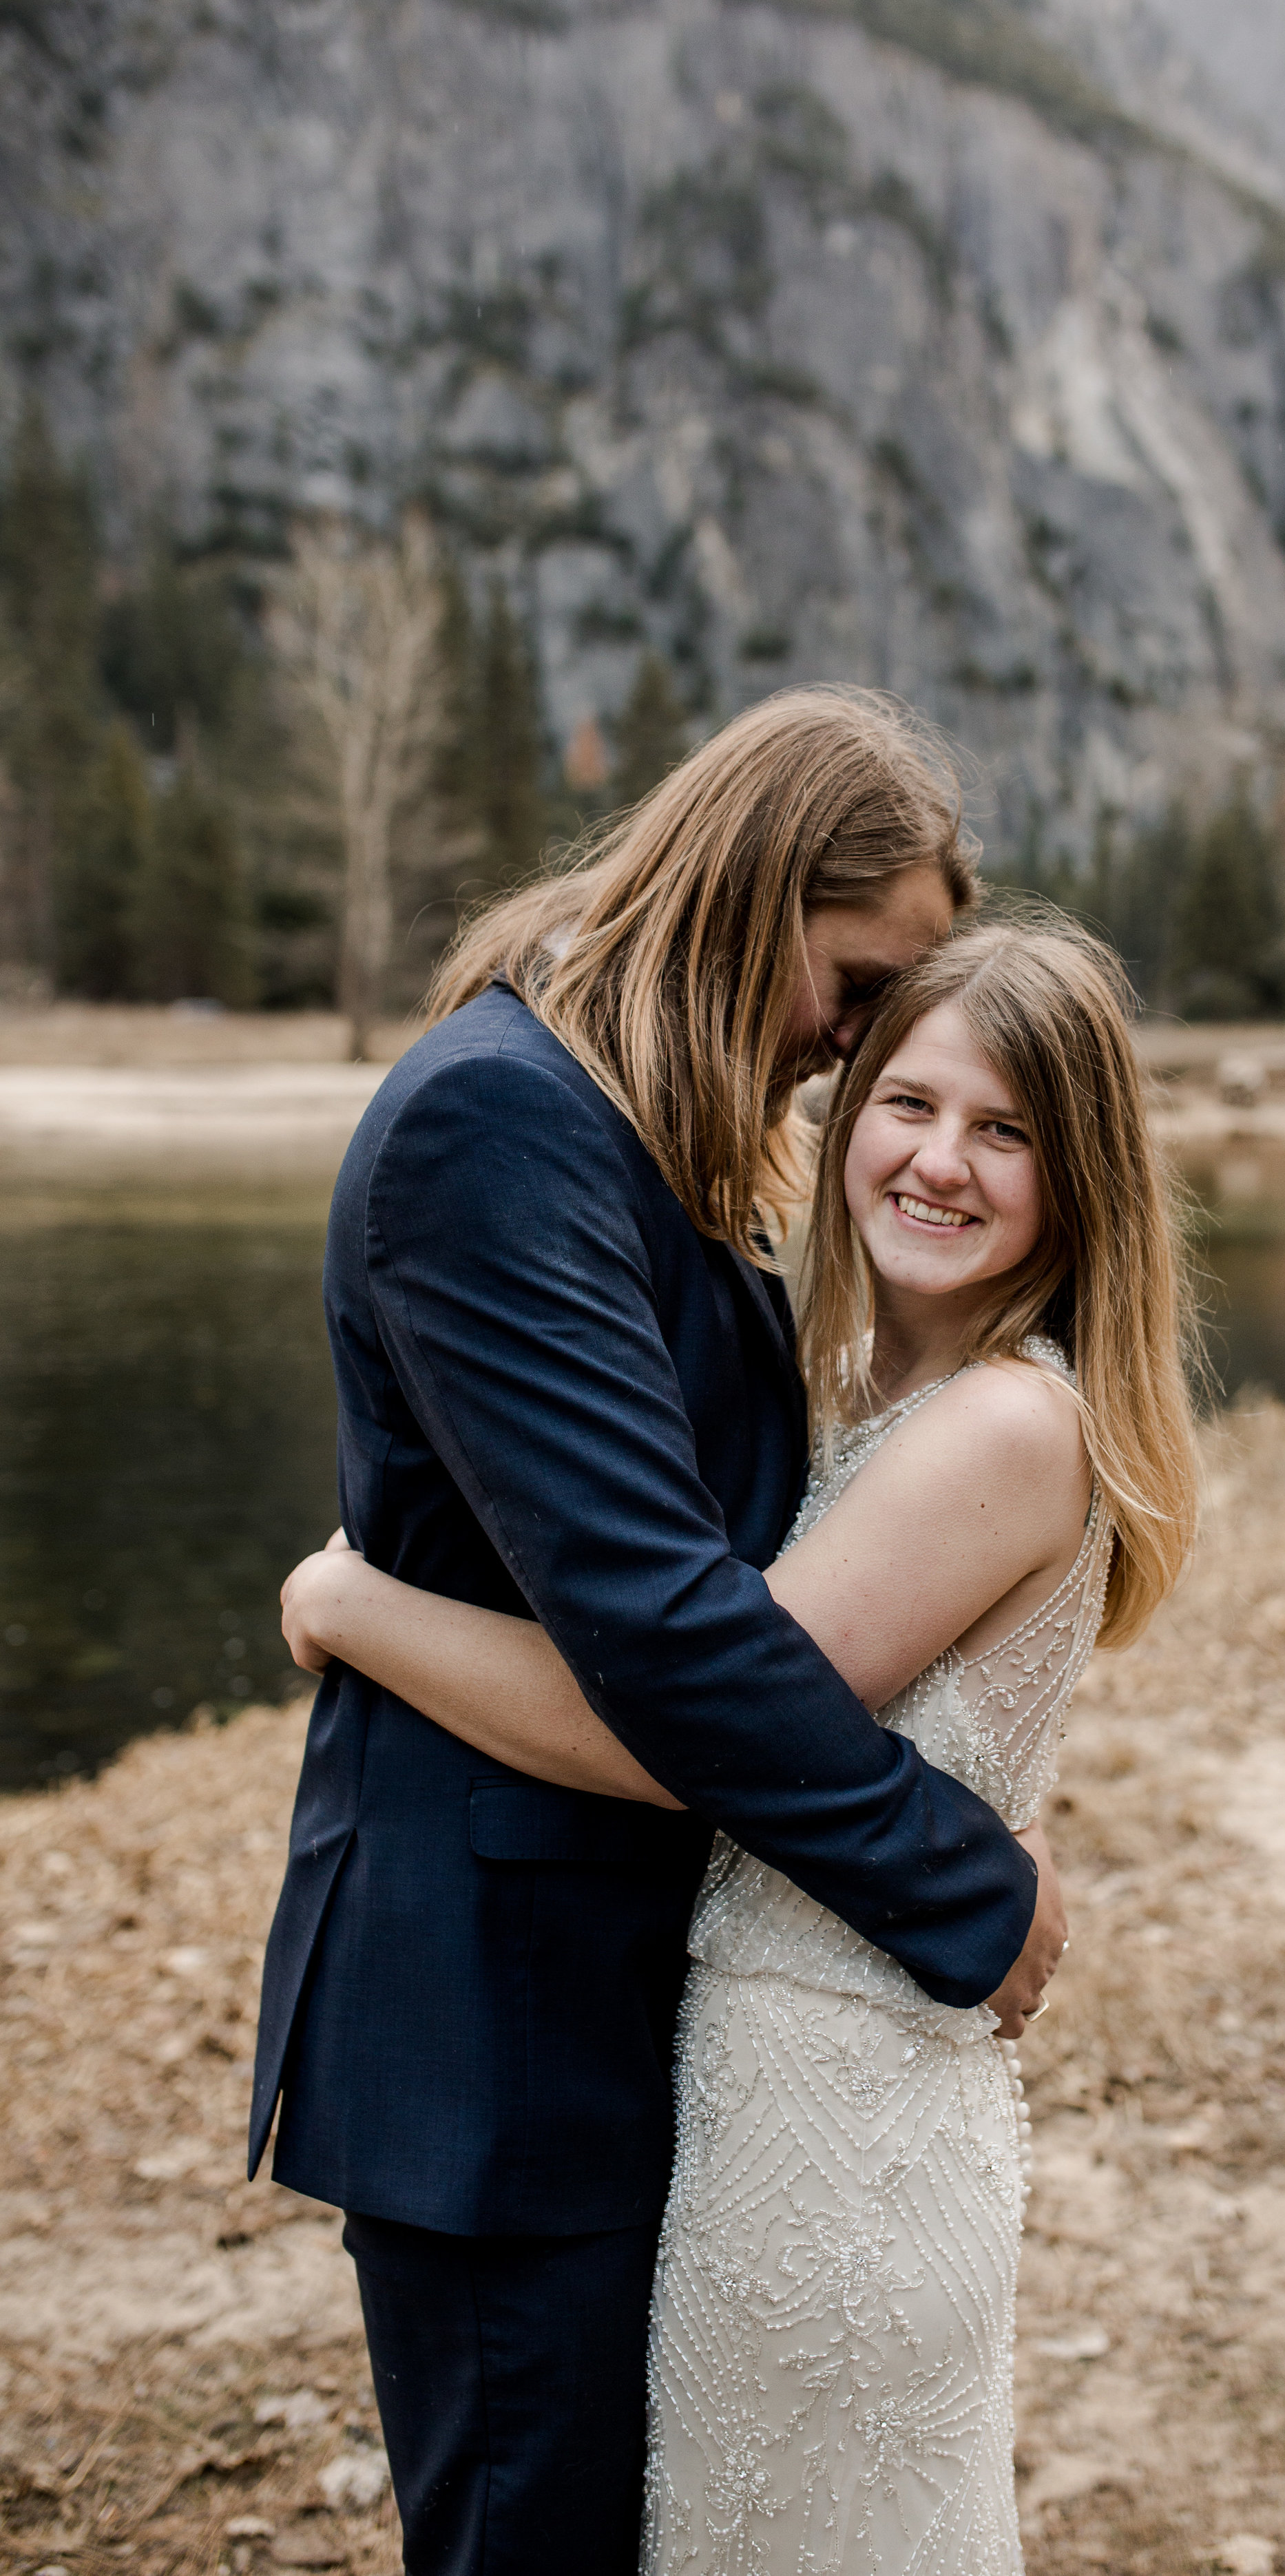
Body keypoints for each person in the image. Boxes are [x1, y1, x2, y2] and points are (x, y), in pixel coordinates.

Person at [250, 690, 1068, 2576]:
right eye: (859, 990)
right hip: (495, 2024)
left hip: (628, 2000)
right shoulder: (494, 1123)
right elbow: (664, 1626)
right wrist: (961, 1879)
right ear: (749, 892)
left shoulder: (631, 1133)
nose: (852, 1050)